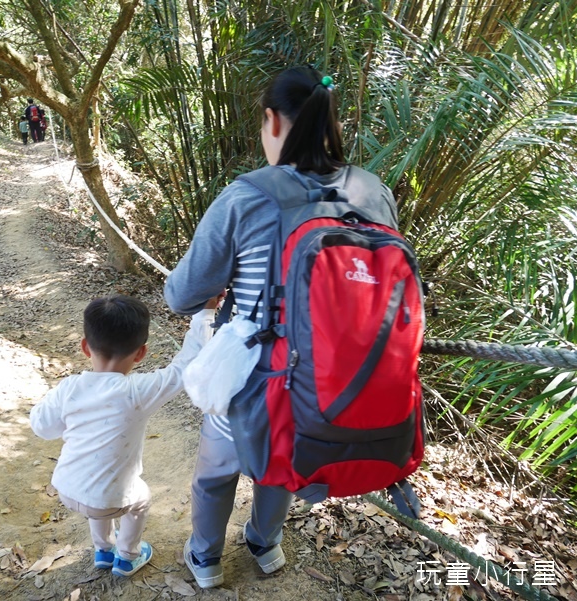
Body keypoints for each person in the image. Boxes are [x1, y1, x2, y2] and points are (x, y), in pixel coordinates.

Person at [164, 66, 398, 589]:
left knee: (217, 470)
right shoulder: (374, 191)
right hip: (338, 383)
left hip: (255, 375)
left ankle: (205, 558)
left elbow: (181, 295)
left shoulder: (248, 195)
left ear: (272, 120)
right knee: (287, 456)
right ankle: (265, 543)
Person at [30, 295, 218, 577]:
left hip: (67, 489)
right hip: (110, 500)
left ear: (84, 346)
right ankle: (128, 555)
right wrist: (205, 314)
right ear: (141, 353)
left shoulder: (68, 388)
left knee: (100, 495)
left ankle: (103, 549)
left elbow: (42, 427)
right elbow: (183, 367)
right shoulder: (137, 392)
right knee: (139, 498)